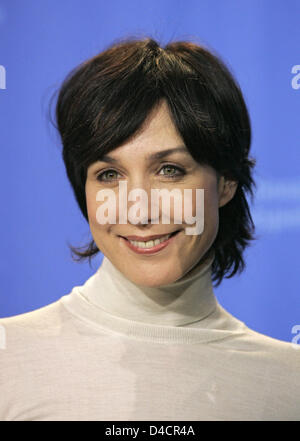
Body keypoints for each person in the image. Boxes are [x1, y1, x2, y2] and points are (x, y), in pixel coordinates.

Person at [0, 36, 299, 421]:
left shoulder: (288, 385)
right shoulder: (9, 360)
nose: (138, 211)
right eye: (109, 174)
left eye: (169, 170)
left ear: (226, 181)